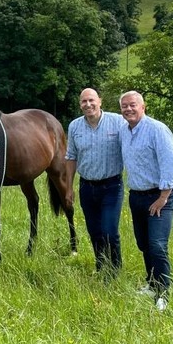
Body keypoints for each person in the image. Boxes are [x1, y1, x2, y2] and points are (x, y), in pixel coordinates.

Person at [119, 90, 173, 311]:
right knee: (143, 243)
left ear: (143, 107)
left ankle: (163, 293)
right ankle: (151, 283)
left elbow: (171, 165)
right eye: (124, 106)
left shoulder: (157, 129)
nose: (128, 109)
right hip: (137, 195)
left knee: (157, 244)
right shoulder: (124, 131)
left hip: (159, 196)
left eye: (133, 105)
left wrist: (163, 197)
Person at [65, 88, 126, 276]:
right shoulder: (74, 126)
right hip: (87, 187)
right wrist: (68, 187)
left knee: (109, 230)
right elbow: (71, 157)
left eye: (91, 100)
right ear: (80, 104)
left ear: (100, 101)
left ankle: (115, 270)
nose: (88, 104)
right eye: (84, 101)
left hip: (111, 186)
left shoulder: (117, 122)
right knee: (94, 231)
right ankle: (101, 267)